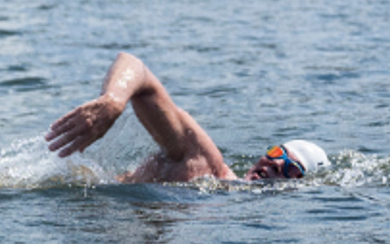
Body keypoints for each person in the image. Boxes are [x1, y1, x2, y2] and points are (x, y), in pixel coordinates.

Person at [46, 53, 329, 183]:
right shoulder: (206, 166)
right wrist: (112, 101)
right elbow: (135, 67)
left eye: (292, 169)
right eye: (277, 153)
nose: (277, 164)